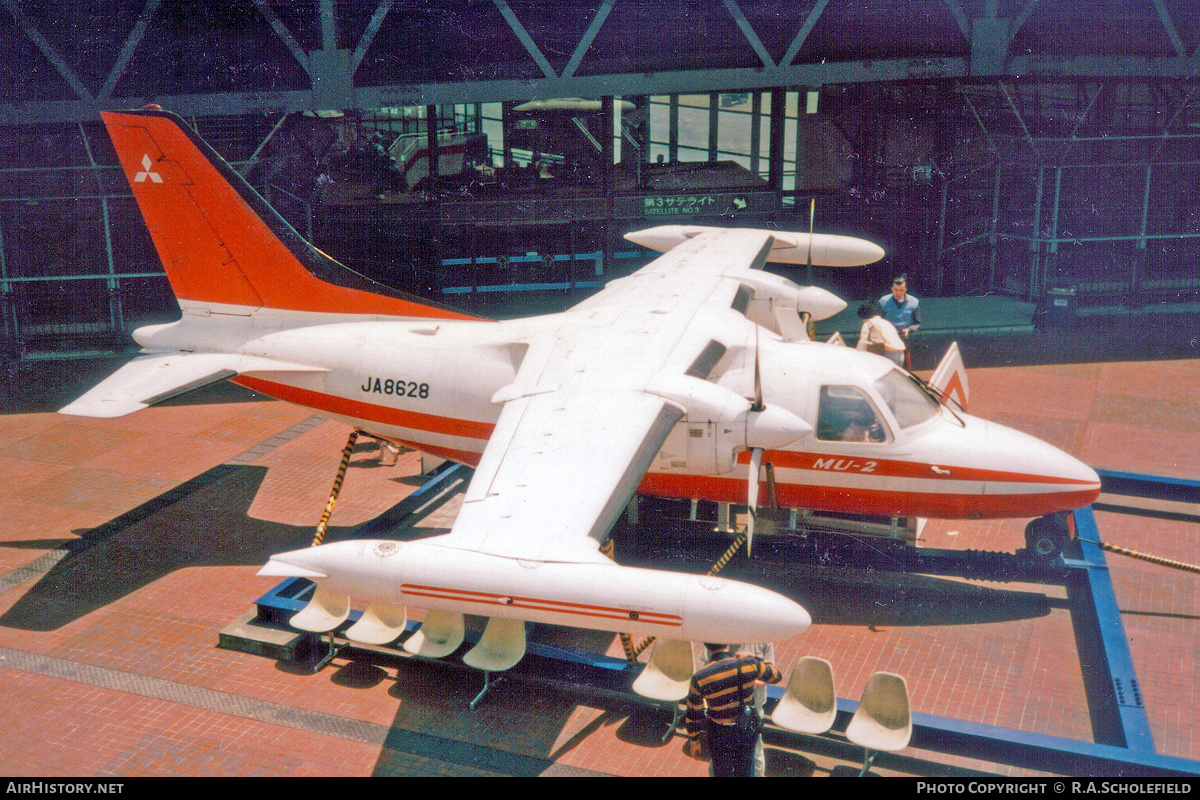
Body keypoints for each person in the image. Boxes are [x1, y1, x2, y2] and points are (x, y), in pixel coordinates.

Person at [684, 643, 783, 777]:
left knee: (722, 772)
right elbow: (776, 675)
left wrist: (694, 740)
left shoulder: (700, 677)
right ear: (728, 644)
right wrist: (754, 657)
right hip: (746, 728)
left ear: (707, 647)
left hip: (719, 732)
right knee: (746, 769)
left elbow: (694, 713)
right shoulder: (749, 664)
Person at [880, 275, 921, 368]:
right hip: (887, 338)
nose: (898, 293)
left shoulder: (914, 302)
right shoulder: (883, 301)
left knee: (906, 367)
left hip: (903, 337)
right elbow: (879, 320)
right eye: (895, 290)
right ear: (891, 289)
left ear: (906, 289)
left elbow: (917, 323)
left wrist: (909, 329)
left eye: (901, 290)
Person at [856, 301, 905, 367]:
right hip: (900, 354)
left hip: (887, 355)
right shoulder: (886, 322)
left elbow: (863, 344)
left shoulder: (868, 323)